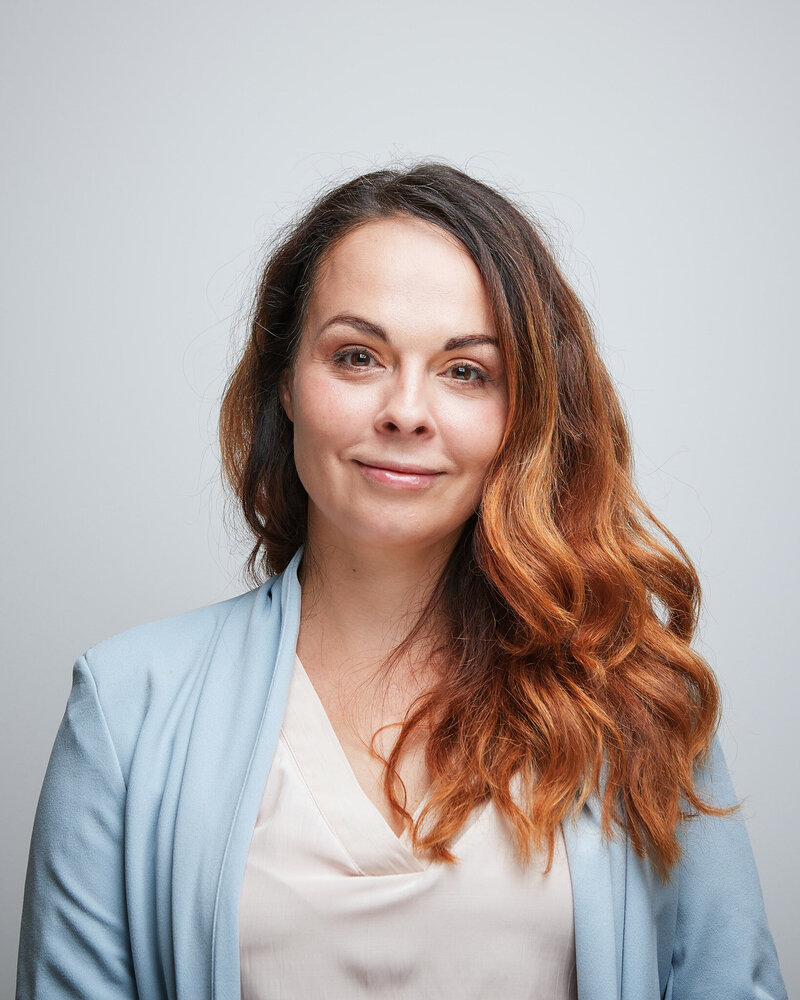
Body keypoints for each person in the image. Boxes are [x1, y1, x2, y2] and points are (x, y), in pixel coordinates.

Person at [16, 161, 787, 1000]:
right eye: (357, 357)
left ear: (523, 414)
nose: (406, 411)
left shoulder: (635, 698)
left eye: (466, 371)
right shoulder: (125, 710)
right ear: (287, 384)